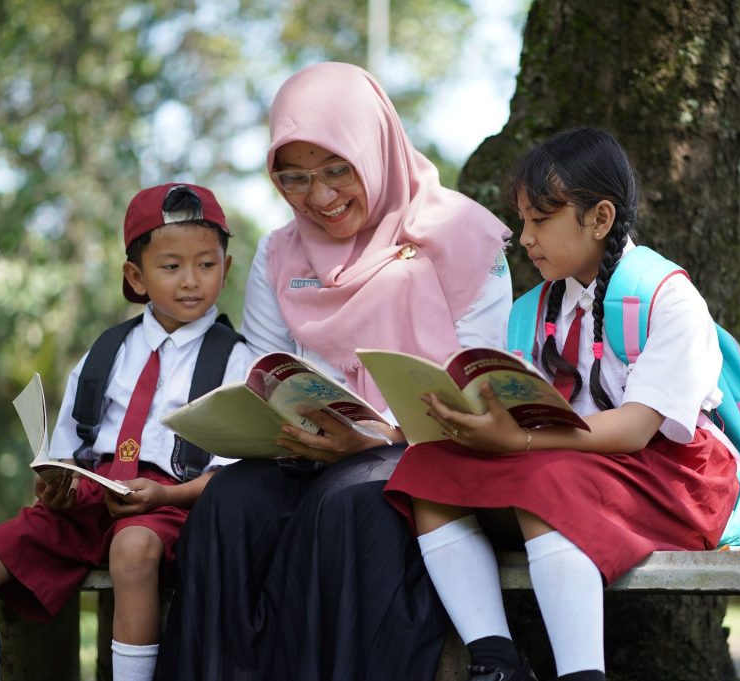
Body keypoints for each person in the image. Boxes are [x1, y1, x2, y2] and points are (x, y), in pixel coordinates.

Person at [157, 62, 512, 681]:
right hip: (306, 453)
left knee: (351, 501)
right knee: (230, 507)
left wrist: (372, 439)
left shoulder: (463, 238)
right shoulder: (279, 251)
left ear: (374, 149)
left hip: (423, 453)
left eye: (336, 170)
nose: (318, 198)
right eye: (292, 179)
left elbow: (477, 389)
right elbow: (264, 369)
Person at [383, 127, 740, 681]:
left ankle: (581, 674)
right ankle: (496, 660)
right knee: (425, 470)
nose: (525, 238)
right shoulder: (532, 311)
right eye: (523, 220)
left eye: (541, 219)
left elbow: (636, 430)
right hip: (566, 464)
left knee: (546, 481)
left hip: (674, 480)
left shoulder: (668, 297)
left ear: (599, 218)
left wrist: (519, 441)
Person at [0, 183, 252, 681]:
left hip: (172, 503)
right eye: (171, 267)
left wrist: (164, 495)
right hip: (91, 496)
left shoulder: (238, 361)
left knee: (131, 550)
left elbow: (236, 476)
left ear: (227, 266)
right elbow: (67, 450)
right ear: (136, 275)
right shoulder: (107, 350)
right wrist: (55, 488)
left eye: (207, 264)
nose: (191, 281)